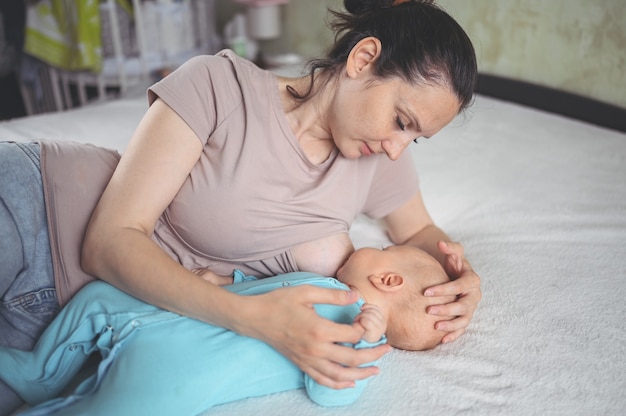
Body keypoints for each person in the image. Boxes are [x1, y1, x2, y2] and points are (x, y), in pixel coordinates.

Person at [0, 0, 482, 413]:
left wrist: (464, 282)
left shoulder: (375, 159)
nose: (399, 147)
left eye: (416, 139)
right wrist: (257, 318)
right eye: (402, 121)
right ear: (364, 58)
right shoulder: (219, 85)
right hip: (33, 212)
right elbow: (108, 243)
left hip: (74, 321)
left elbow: (419, 236)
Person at [1, 246, 454, 415]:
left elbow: (331, 394)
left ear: (388, 280)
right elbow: (266, 289)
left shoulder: (355, 336)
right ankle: (41, 373)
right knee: (99, 297)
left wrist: (368, 337)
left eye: (381, 247)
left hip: (177, 371)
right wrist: (223, 282)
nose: (364, 244)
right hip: (177, 313)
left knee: (116, 408)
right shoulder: (325, 284)